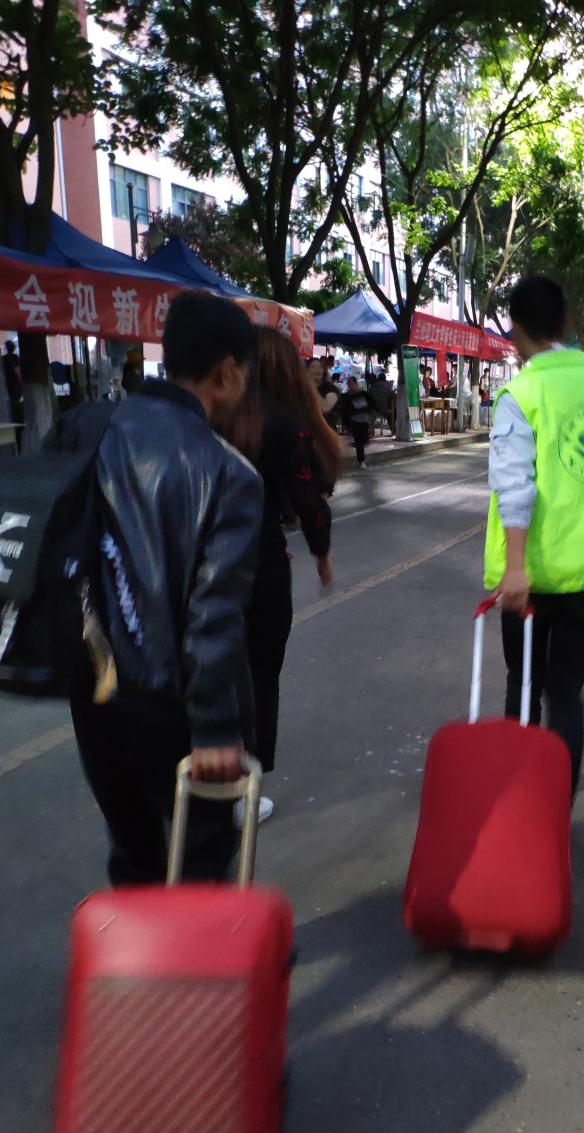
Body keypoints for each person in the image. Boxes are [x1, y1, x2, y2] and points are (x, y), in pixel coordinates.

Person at [69, 292, 263, 886]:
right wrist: (214, 727)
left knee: (133, 855)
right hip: (173, 709)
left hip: (94, 689)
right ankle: (195, 950)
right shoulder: (227, 472)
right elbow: (213, 613)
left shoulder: (91, 428)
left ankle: (134, 949)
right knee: (199, 863)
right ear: (226, 374)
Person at [485, 275, 584, 795]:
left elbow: (514, 487)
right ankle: (557, 812)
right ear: (566, 322)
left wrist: (514, 568)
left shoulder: (521, 393)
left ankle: (519, 807)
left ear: (514, 329)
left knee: (524, 686)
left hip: (533, 574)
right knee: (567, 690)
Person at [219, 328, 340, 823]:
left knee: (212, 672)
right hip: (261, 566)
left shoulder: (212, 411)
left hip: (202, 564)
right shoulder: (285, 422)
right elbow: (309, 499)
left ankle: (200, 784)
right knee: (261, 678)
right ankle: (244, 794)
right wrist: (322, 554)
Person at [339, 374, 375, 468]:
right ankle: (361, 460)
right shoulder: (346, 396)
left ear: (355, 383)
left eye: (351, 383)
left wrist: (371, 414)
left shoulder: (364, 394)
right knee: (359, 441)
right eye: (348, 384)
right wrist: (345, 423)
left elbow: (371, 404)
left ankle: (360, 452)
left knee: (363, 439)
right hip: (354, 421)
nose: (350, 386)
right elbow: (344, 410)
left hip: (364, 420)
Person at [369, 368, 395, 434]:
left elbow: (368, 395)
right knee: (391, 415)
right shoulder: (387, 387)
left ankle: (371, 430)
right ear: (385, 379)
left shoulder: (372, 387)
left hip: (373, 409)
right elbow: (393, 395)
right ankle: (393, 430)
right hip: (383, 409)